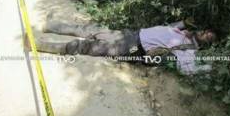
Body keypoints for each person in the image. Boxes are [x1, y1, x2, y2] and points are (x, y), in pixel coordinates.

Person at [34, 20, 217, 75]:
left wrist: (210, 67)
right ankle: (49, 26)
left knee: (89, 47)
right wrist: (186, 23)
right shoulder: (183, 32)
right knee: (93, 31)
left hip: (135, 48)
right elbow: (174, 25)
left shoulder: (189, 49)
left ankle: (41, 45)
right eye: (207, 31)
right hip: (132, 33)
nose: (205, 33)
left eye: (209, 37)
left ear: (206, 44)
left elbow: (187, 69)